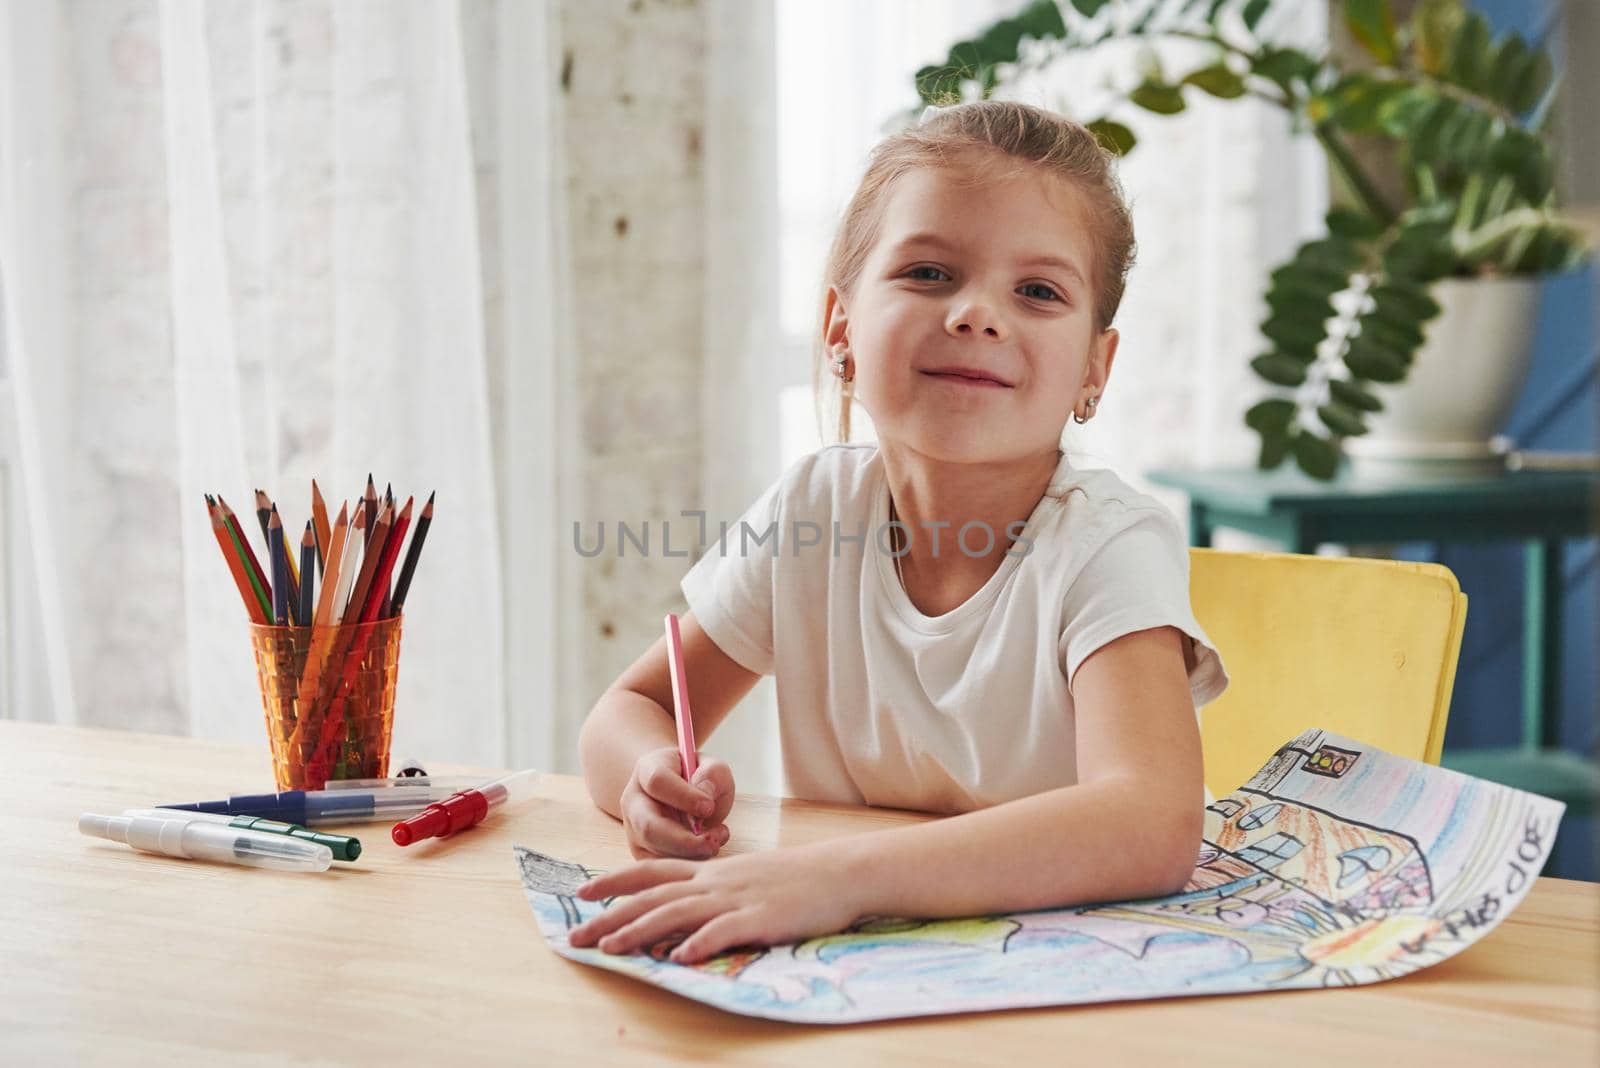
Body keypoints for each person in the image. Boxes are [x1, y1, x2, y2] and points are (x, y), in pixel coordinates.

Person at [571, 100, 1228, 965]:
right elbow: (629, 711)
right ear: (842, 329)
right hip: (860, 976)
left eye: (1037, 292)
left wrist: (837, 879)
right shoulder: (813, 508)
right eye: (927, 273)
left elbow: (1151, 822)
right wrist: (648, 779)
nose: (977, 314)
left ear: (1093, 371)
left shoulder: (1107, 545)